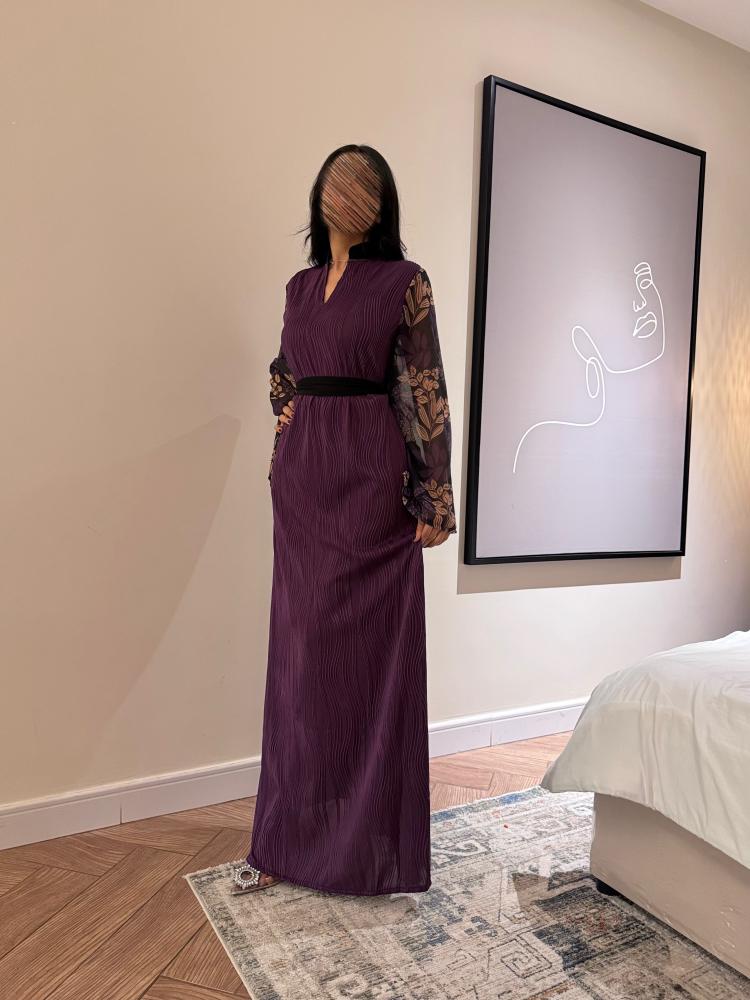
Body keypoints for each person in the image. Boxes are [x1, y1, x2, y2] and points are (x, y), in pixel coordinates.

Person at [231, 144, 457, 897]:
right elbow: (285, 372)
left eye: (365, 183)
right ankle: (288, 839)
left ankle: (363, 848)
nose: (350, 192)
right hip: (301, 490)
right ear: (320, 193)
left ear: (381, 202)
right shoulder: (299, 288)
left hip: (370, 483)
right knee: (299, 669)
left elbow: (423, 385)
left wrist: (434, 493)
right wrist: (287, 421)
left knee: (365, 664)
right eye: (340, 179)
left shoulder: (403, 281)